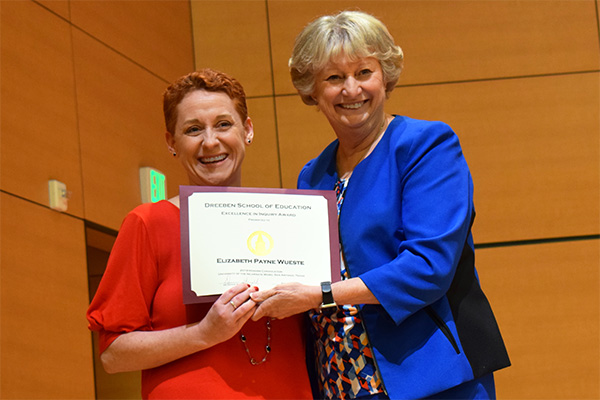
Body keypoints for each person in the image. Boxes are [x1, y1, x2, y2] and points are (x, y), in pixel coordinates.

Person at [250, 11, 510, 399]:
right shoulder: (313, 174)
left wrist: (321, 294)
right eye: (334, 78)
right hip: (339, 377)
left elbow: (429, 267)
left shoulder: (426, 145)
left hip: (429, 375)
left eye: (364, 72)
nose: (351, 89)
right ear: (312, 91)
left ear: (385, 76)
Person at [86, 69, 313, 399]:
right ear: (171, 142)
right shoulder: (148, 223)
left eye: (223, 124)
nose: (210, 141)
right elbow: (113, 355)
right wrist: (204, 333)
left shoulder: (290, 220)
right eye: (193, 129)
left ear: (247, 130)